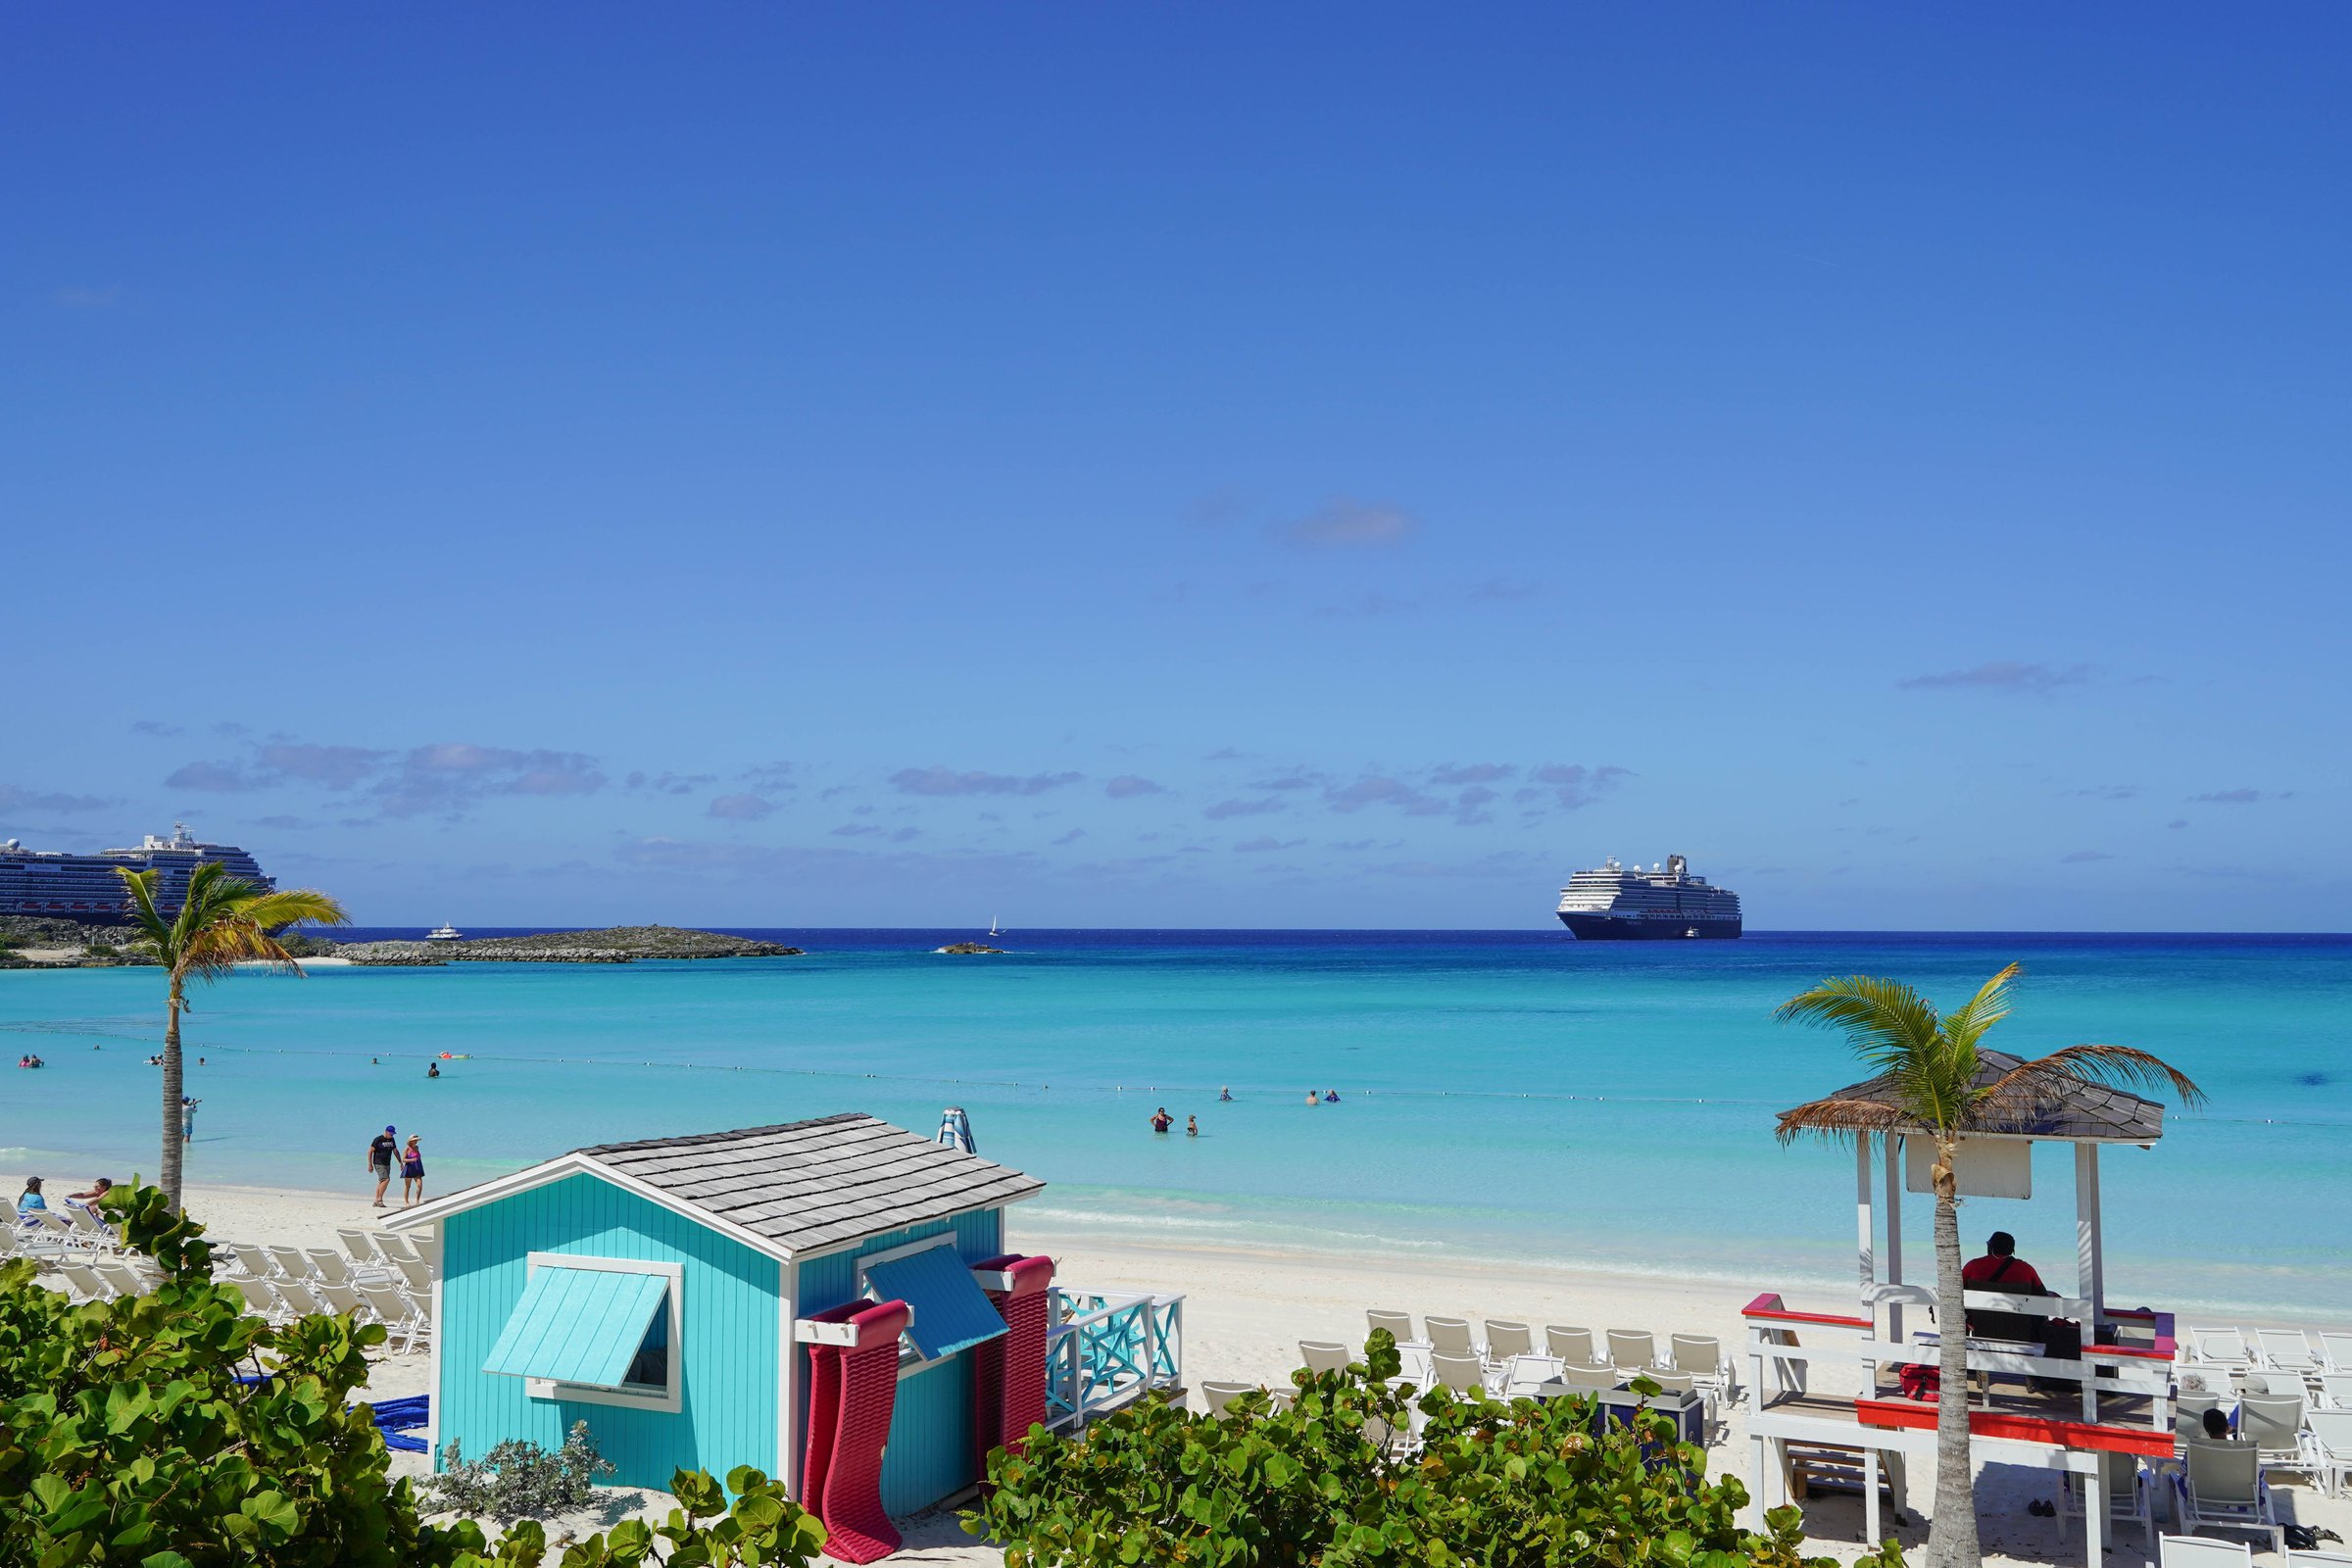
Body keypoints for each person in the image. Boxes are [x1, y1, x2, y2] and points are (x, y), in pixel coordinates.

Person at [1961, 1231, 2046, 1293]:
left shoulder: (1973, 1266)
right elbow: (2043, 1295)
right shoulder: (2026, 1269)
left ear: (1991, 1247)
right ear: (2012, 1250)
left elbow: (1955, 1289)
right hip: (2017, 1317)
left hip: (1977, 1317)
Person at [368, 1125, 399, 1207]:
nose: (391, 1135)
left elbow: (395, 1151)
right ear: (386, 1131)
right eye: (390, 1133)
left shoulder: (392, 1139)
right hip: (378, 1163)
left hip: (387, 1163)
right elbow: (370, 1151)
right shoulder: (378, 1139)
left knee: (382, 1182)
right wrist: (370, 1164)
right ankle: (380, 1200)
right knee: (386, 1180)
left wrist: (400, 1162)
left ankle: (376, 1201)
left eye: (393, 1134)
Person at [400, 1135, 426, 1206]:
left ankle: (417, 1200)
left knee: (419, 1185)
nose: (416, 1141)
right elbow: (403, 1159)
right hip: (409, 1169)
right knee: (408, 1186)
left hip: (417, 1169)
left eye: (417, 1140)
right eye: (415, 1140)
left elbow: (418, 1157)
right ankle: (406, 1202)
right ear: (411, 1141)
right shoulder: (407, 1149)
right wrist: (411, 1160)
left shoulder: (417, 1148)